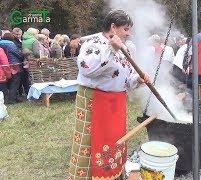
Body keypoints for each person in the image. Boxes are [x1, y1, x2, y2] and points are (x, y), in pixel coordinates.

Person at [68, 9, 149, 180]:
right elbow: (86, 69)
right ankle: (89, 176)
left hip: (116, 102)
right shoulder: (94, 43)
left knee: (114, 139)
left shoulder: (123, 48)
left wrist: (138, 79)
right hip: (95, 100)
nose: (129, 33)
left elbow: (125, 77)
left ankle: (111, 173)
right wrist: (111, 49)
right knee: (93, 141)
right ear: (113, 27)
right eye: (126, 29)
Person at [0, 33, 24, 104]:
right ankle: (12, 99)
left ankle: (13, 98)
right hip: (13, 65)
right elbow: (17, 54)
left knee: (9, 83)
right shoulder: (11, 44)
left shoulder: (1, 43)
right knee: (15, 82)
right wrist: (22, 56)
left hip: (4, 66)